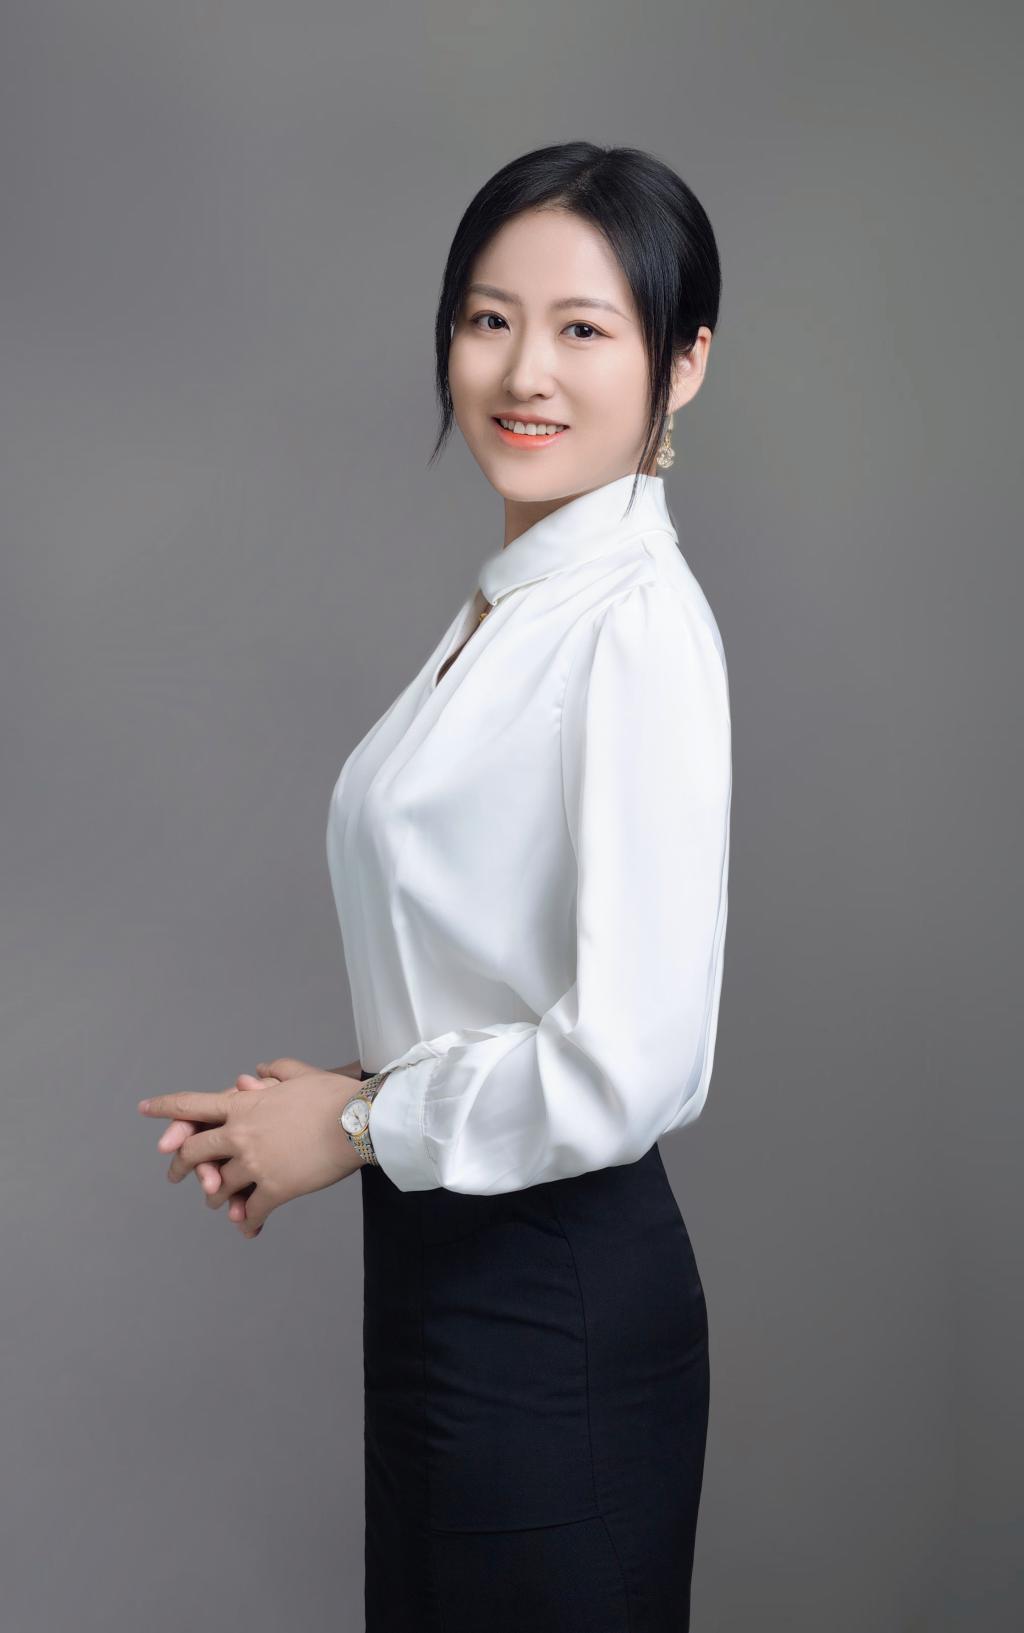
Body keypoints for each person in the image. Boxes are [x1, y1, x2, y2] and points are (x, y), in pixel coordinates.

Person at [138, 141, 731, 1633]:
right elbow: (497, 968)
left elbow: (629, 1062)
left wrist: (356, 1124)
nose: (525, 371)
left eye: (584, 328)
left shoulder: (631, 627)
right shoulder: (519, 601)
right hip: (443, 1286)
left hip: (551, 1311)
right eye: (488, 318)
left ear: (684, 362)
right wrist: (348, 1092)